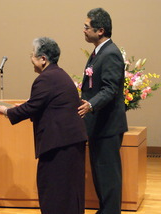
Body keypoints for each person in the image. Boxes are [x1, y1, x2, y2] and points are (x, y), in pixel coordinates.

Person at [0, 37, 87, 214]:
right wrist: (20, 109)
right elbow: (41, 105)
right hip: (68, 141)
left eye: (33, 55)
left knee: (55, 191)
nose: (31, 59)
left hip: (60, 144)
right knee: (68, 191)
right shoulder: (58, 74)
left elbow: (33, 106)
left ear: (43, 58)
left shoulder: (46, 78)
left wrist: (7, 112)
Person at [78, 8, 128, 214]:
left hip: (108, 126)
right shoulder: (99, 52)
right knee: (100, 173)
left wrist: (90, 104)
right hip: (98, 125)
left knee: (108, 175)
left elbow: (110, 89)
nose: (83, 30)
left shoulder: (111, 53)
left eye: (86, 27)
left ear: (100, 31)